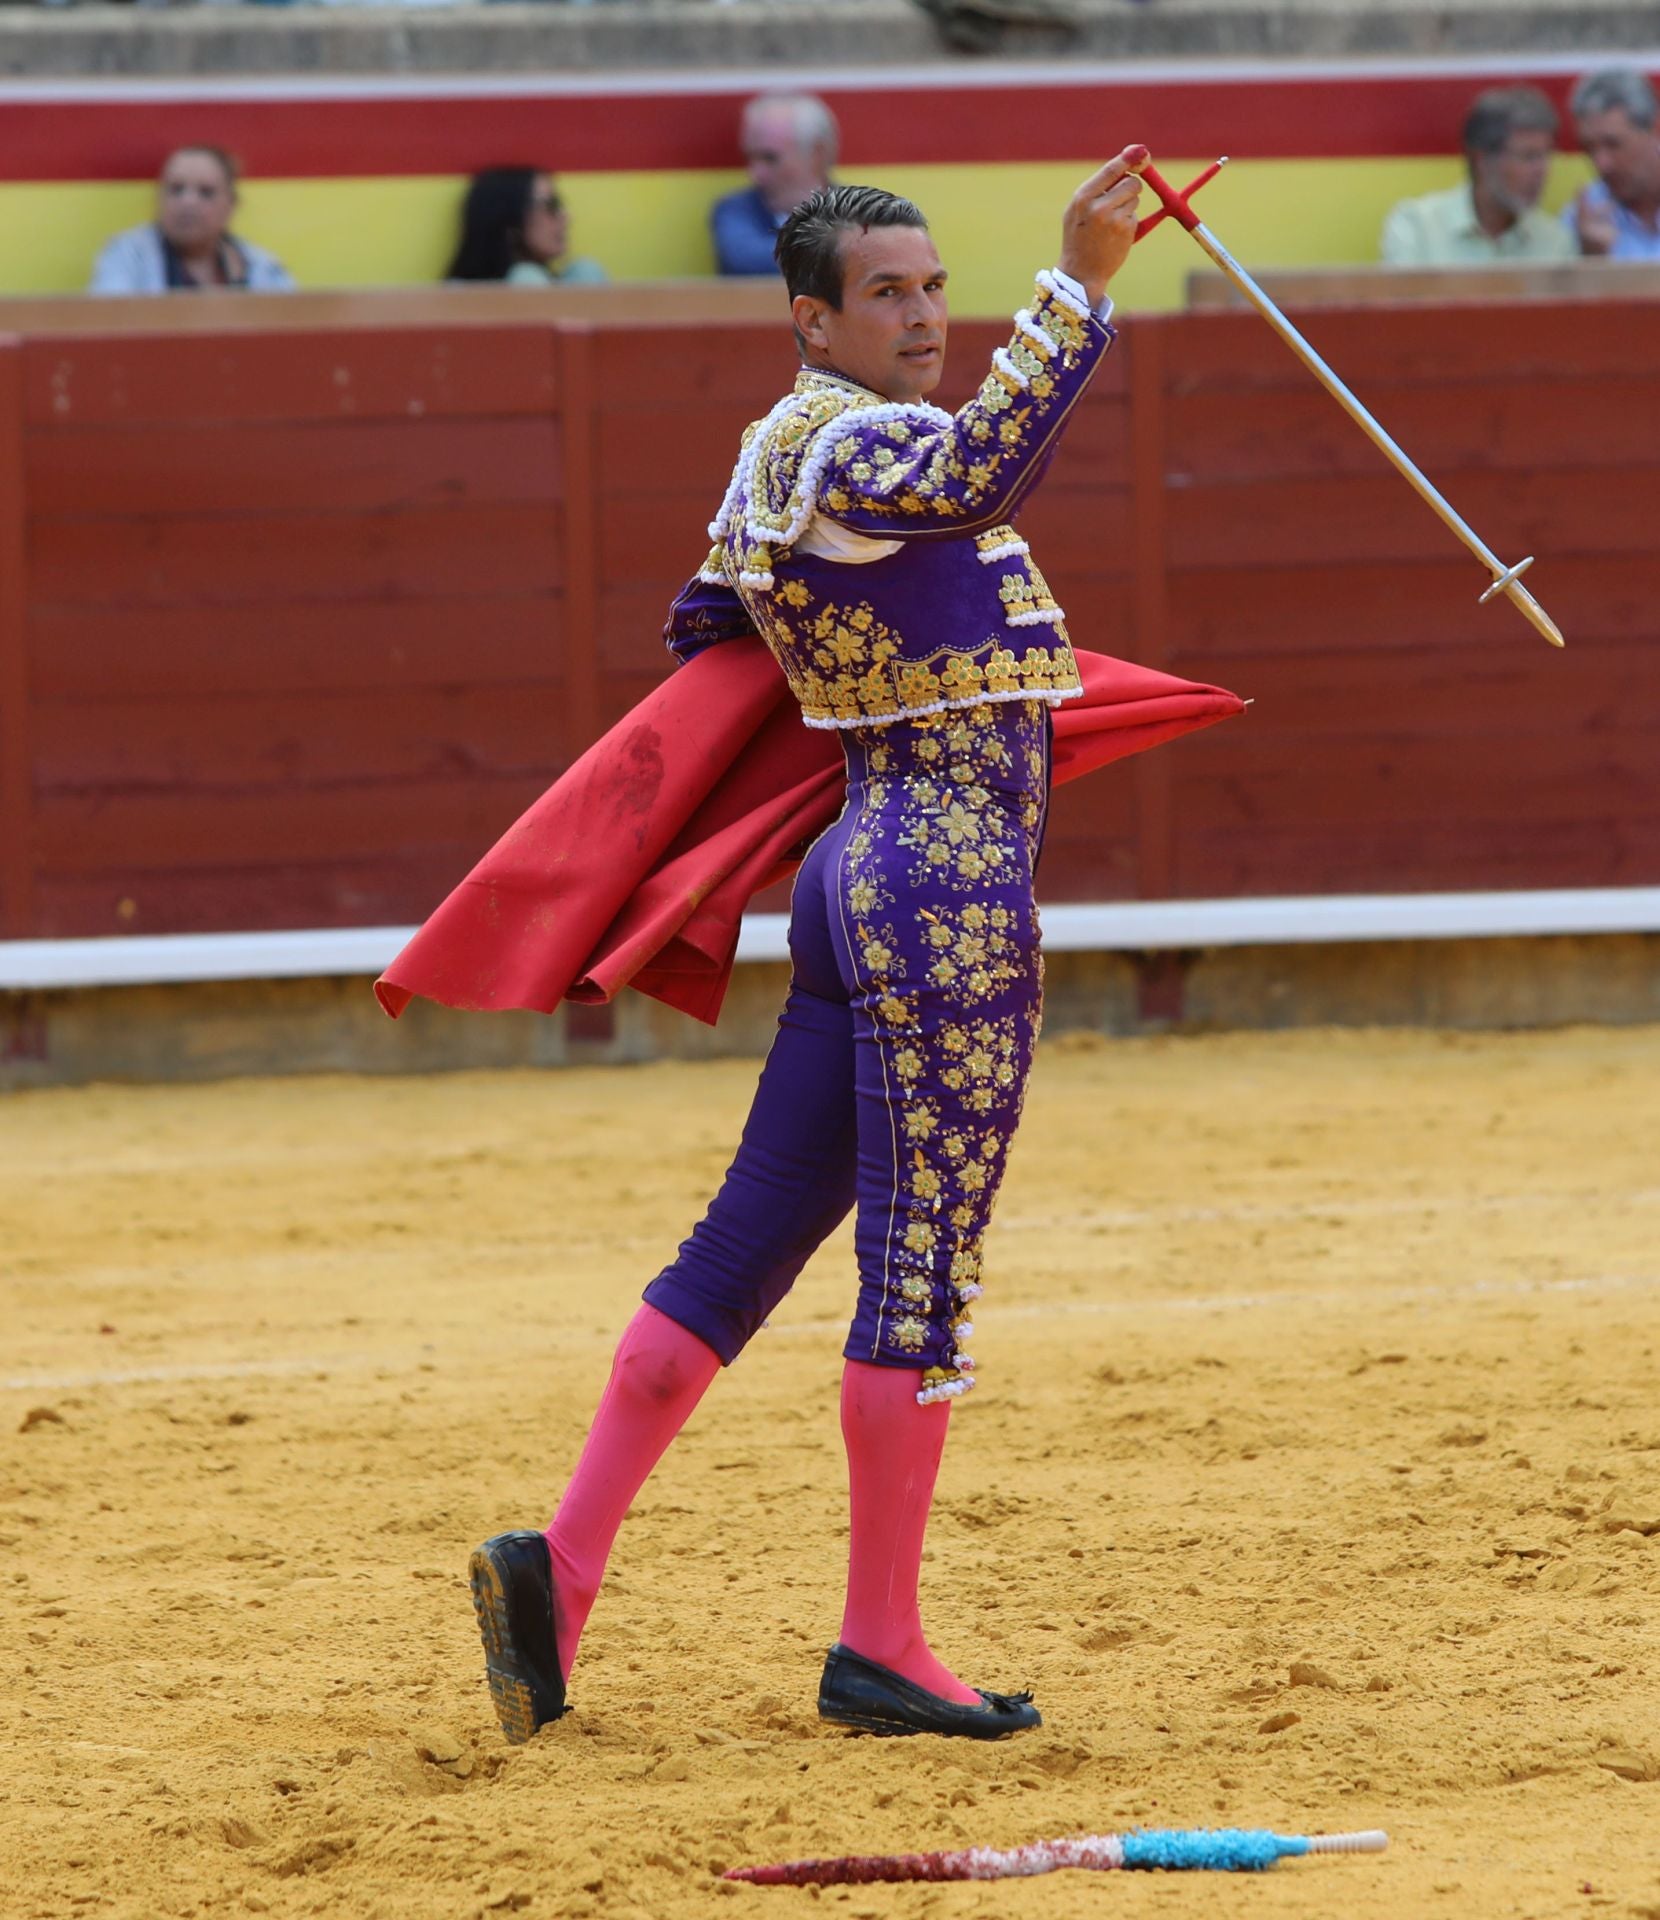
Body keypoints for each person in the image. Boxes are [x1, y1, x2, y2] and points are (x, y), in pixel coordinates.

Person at [468, 150, 1150, 1745]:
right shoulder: (859, 448)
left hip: (862, 869)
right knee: (920, 1265)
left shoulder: (774, 460)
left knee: (747, 1239)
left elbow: (710, 627)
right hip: (946, 882)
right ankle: (881, 1643)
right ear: (812, 320)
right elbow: (980, 469)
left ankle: (559, 1568)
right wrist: (1081, 286)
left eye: (933, 288)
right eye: (888, 296)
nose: (922, 317)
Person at [1380, 86, 1577, 266]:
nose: (1542, 171)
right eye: (1528, 157)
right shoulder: (1417, 228)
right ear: (1481, 160)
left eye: (1546, 156)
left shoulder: (1555, 241)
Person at [87, 146, 294, 295]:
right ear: (159, 199)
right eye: (176, 189)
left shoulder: (262, 267)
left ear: (231, 206)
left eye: (206, 193)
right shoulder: (127, 256)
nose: (188, 203)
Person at [710, 93, 837, 276]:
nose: (756, 174)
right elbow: (744, 261)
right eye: (750, 158)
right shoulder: (736, 210)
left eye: (770, 158)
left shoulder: (859, 209)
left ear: (816, 155)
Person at [446, 169, 608, 286]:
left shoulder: (577, 279)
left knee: (586, 272)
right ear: (509, 217)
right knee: (527, 279)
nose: (565, 216)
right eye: (551, 205)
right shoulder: (458, 295)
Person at [1564, 69, 1660, 260]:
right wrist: (1590, 260)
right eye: (1589, 149)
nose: (1601, 164)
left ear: (1654, 129)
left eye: (1613, 144)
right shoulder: (1582, 220)